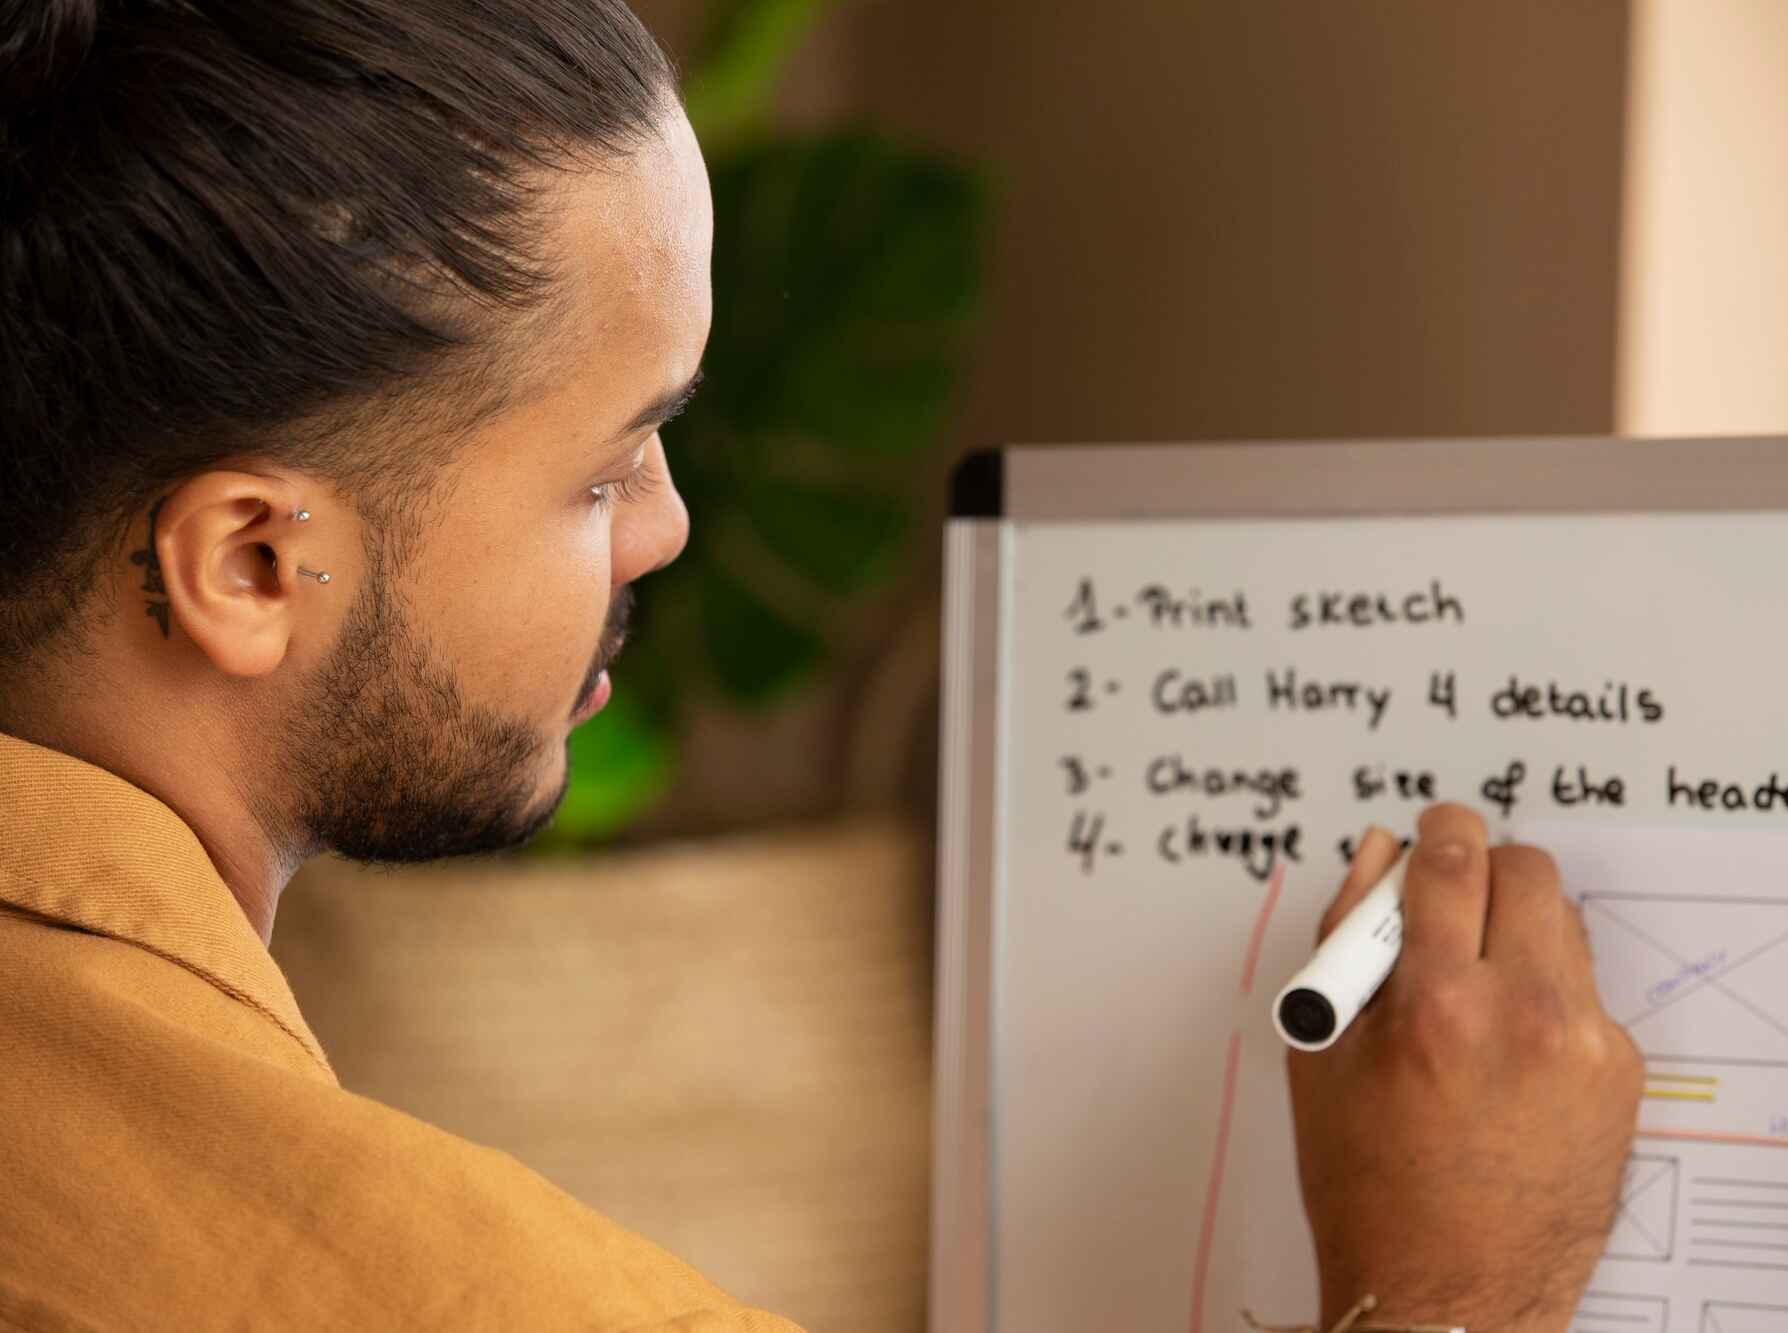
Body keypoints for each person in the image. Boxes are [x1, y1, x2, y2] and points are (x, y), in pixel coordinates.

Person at [0, 2, 1643, 1329]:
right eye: (603, 467)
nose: (667, 528)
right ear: (254, 564)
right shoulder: (394, 1283)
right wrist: (1455, 1290)